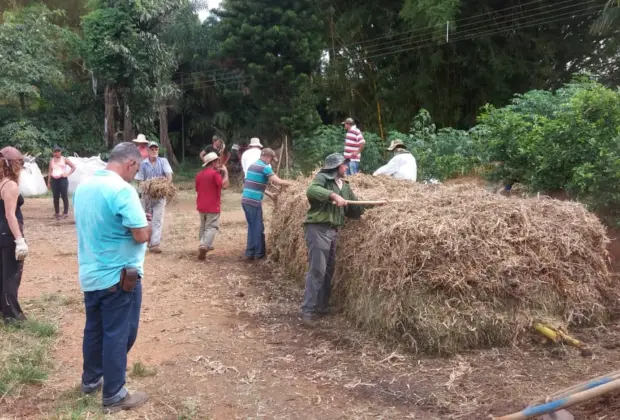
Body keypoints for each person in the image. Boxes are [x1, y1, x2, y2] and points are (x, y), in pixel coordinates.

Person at [73, 142, 151, 414]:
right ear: (130, 163)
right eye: (137, 168)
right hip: (119, 277)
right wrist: (146, 225)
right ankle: (115, 393)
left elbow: (101, 222)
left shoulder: (84, 186)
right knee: (119, 333)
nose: (136, 174)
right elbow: (141, 234)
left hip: (91, 273)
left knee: (94, 329)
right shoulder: (122, 189)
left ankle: (91, 379)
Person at [300, 153, 366, 322]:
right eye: (344, 165)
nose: (346, 167)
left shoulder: (345, 186)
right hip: (318, 230)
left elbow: (355, 208)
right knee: (317, 270)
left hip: (333, 232)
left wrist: (376, 205)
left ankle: (321, 306)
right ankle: (308, 310)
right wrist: (333, 196)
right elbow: (312, 190)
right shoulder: (322, 178)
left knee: (328, 271)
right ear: (336, 167)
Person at [241, 148, 292, 260]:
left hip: (245, 200)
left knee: (252, 226)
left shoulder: (252, 166)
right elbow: (278, 181)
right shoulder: (264, 167)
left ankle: (249, 252)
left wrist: (270, 194)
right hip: (253, 202)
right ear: (267, 157)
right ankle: (259, 254)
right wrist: (293, 184)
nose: (271, 162)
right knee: (258, 227)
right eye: (271, 159)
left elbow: (255, 185)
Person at [0, 147, 28, 324]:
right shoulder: (10, 185)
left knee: (2, 273)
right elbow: (10, 215)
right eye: (21, 162)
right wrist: (19, 240)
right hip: (8, 234)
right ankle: (12, 315)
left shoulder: (1, 181)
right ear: (14, 164)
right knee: (11, 274)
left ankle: (4, 309)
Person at [135, 141, 173, 254]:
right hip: (147, 196)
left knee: (158, 219)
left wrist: (163, 186)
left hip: (160, 195)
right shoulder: (143, 163)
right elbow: (139, 179)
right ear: (148, 151)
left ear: (158, 151)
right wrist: (146, 187)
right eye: (152, 149)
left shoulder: (163, 161)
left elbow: (169, 176)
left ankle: (155, 244)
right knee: (146, 219)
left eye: (156, 149)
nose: (154, 151)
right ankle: (147, 241)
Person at [195, 152, 229, 260]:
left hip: (201, 205)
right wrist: (226, 173)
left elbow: (197, 189)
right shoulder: (215, 174)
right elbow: (224, 185)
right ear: (213, 162)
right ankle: (205, 245)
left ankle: (203, 244)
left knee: (203, 226)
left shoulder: (199, 174)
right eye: (217, 161)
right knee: (212, 226)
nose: (218, 163)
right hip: (213, 205)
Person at [47, 145, 76, 219]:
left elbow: (73, 167)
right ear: (53, 153)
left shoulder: (64, 159)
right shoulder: (51, 160)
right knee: (55, 196)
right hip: (54, 180)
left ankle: (65, 213)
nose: (57, 153)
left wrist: (67, 174)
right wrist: (49, 182)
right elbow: (50, 171)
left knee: (64, 196)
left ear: (60, 152)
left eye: (58, 151)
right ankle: (57, 213)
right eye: (55, 152)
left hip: (62, 179)